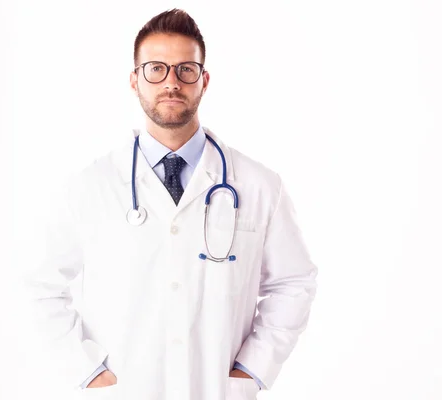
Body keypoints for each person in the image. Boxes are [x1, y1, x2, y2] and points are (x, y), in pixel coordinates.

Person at [29, 8, 317, 400]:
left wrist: (253, 367)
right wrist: (84, 369)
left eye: (185, 69)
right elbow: (41, 287)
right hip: (127, 389)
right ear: (135, 80)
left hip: (216, 390)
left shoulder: (259, 185)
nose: (171, 82)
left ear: (204, 80)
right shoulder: (89, 187)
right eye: (156, 69)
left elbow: (293, 282)